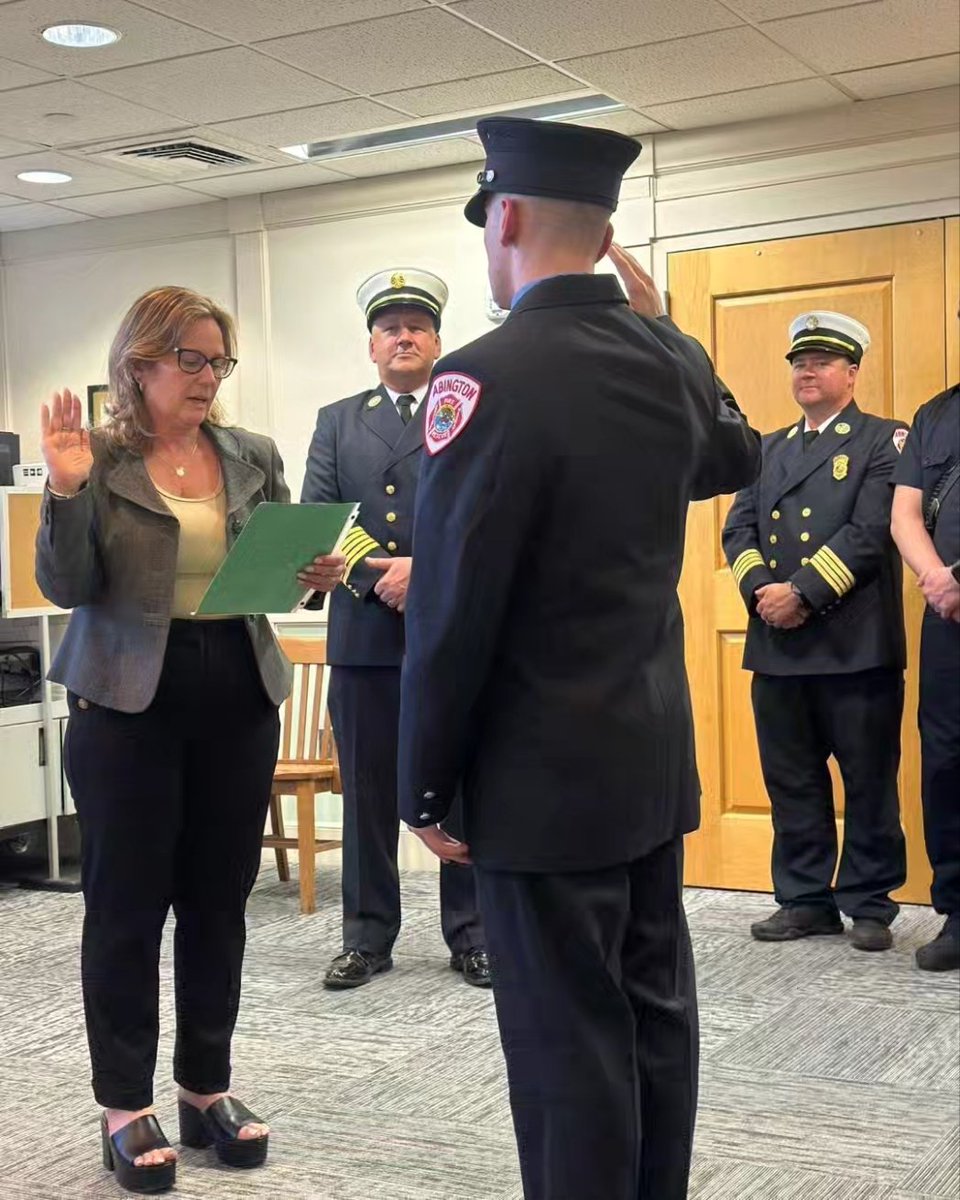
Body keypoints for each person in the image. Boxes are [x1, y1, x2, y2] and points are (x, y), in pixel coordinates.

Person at [396, 116, 761, 1200]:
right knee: (654, 1016)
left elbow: (454, 610)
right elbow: (735, 454)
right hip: (647, 761)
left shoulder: (484, 377)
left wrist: (424, 782)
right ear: (605, 238)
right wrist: (675, 334)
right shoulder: (662, 360)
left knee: (566, 1048)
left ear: (503, 218)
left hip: (538, 782)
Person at [34, 286, 339, 1194]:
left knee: (218, 899)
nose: (208, 378)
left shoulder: (252, 455)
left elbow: (276, 578)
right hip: (126, 701)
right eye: (192, 360)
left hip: (236, 691)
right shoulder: (101, 456)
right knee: (127, 907)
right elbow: (65, 584)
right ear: (143, 363)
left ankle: (207, 1088)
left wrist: (312, 573)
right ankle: (124, 1106)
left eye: (219, 362)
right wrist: (64, 487)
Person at [301, 269, 488, 991]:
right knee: (369, 795)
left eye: (416, 325)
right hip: (365, 634)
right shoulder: (337, 419)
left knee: (460, 783)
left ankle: (472, 935)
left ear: (438, 341)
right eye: (389, 327)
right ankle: (366, 936)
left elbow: (481, 509)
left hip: (448, 628)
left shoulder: (466, 409)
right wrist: (380, 575)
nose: (403, 336)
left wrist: (427, 571)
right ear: (371, 346)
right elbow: (323, 515)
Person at [723, 312, 910, 952]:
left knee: (867, 779)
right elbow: (737, 530)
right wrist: (759, 593)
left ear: (852, 374)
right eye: (800, 362)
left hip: (854, 644)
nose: (807, 371)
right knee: (792, 779)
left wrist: (802, 590)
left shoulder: (885, 441)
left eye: (823, 361)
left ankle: (869, 902)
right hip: (778, 648)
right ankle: (804, 899)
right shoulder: (766, 448)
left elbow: (871, 530)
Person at [891, 379, 960, 971]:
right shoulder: (934, 414)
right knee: (946, 758)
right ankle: (959, 913)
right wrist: (939, 578)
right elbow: (905, 514)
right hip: (949, 614)